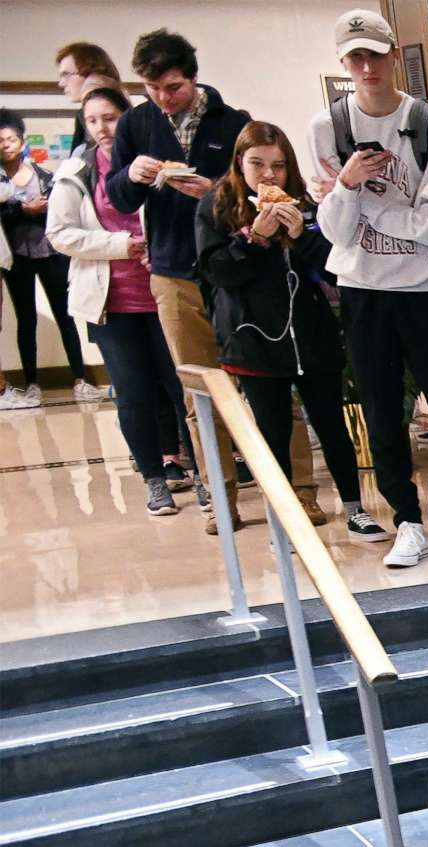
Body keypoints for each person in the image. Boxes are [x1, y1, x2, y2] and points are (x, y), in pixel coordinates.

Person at [107, 27, 314, 532]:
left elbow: (257, 187)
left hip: (238, 274)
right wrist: (131, 175)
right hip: (174, 273)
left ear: (193, 78)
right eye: (152, 88)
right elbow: (117, 198)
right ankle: (220, 501)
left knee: (272, 385)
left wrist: (214, 190)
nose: (163, 97)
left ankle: (299, 493)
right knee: (200, 393)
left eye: (172, 86)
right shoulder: (135, 124)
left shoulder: (233, 122)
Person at [308, 7, 428, 570]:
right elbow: (331, 231)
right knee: (380, 411)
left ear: (393, 54)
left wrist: (360, 206)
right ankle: (406, 520)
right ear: (343, 62)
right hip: (363, 289)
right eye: (355, 56)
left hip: (425, 287)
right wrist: (349, 187)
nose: (366, 66)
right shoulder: (327, 128)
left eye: (375, 53)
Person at [194, 123, 376, 539]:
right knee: (271, 430)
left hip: (312, 336)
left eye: (278, 165)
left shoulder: (307, 204)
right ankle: (282, 518)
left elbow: (335, 265)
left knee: (331, 425)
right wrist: (254, 237)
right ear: (240, 162)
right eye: (257, 163)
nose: (268, 175)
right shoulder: (216, 206)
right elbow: (217, 272)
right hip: (254, 338)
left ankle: (354, 506)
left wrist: (300, 234)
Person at [47, 83, 195, 513]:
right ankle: (155, 480)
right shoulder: (76, 172)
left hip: (166, 292)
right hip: (110, 303)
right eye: (91, 120)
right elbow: (59, 234)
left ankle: (203, 476)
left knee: (182, 389)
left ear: (126, 119)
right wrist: (117, 245)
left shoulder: (155, 164)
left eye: (109, 118)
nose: (101, 128)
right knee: (132, 394)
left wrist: (158, 246)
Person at [1, 109, 106, 409]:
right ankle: (32, 383)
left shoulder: (44, 175)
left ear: (22, 142)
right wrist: (22, 210)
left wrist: (39, 209)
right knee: (26, 319)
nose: (6, 145)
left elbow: (60, 212)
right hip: (17, 258)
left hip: (51, 254)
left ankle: (80, 379)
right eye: (0, 141)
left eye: (11, 139)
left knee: (66, 314)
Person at [51, 43, 122, 171]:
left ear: (91, 74)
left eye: (66, 74)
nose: (61, 83)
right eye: (92, 121)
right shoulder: (81, 118)